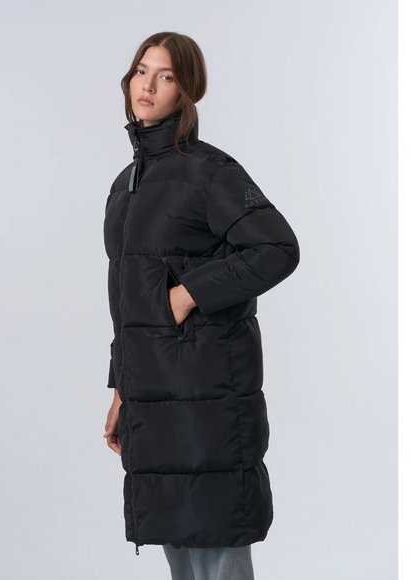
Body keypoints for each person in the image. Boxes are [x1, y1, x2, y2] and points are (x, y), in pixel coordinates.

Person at [102, 32, 300, 579]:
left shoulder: (210, 172)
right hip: (154, 397)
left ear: (186, 91)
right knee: (180, 546)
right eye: (141, 70)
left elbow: (277, 247)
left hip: (208, 398)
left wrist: (189, 293)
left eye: (165, 75)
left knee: (215, 541)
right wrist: (121, 388)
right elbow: (126, 304)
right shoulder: (125, 186)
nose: (147, 85)